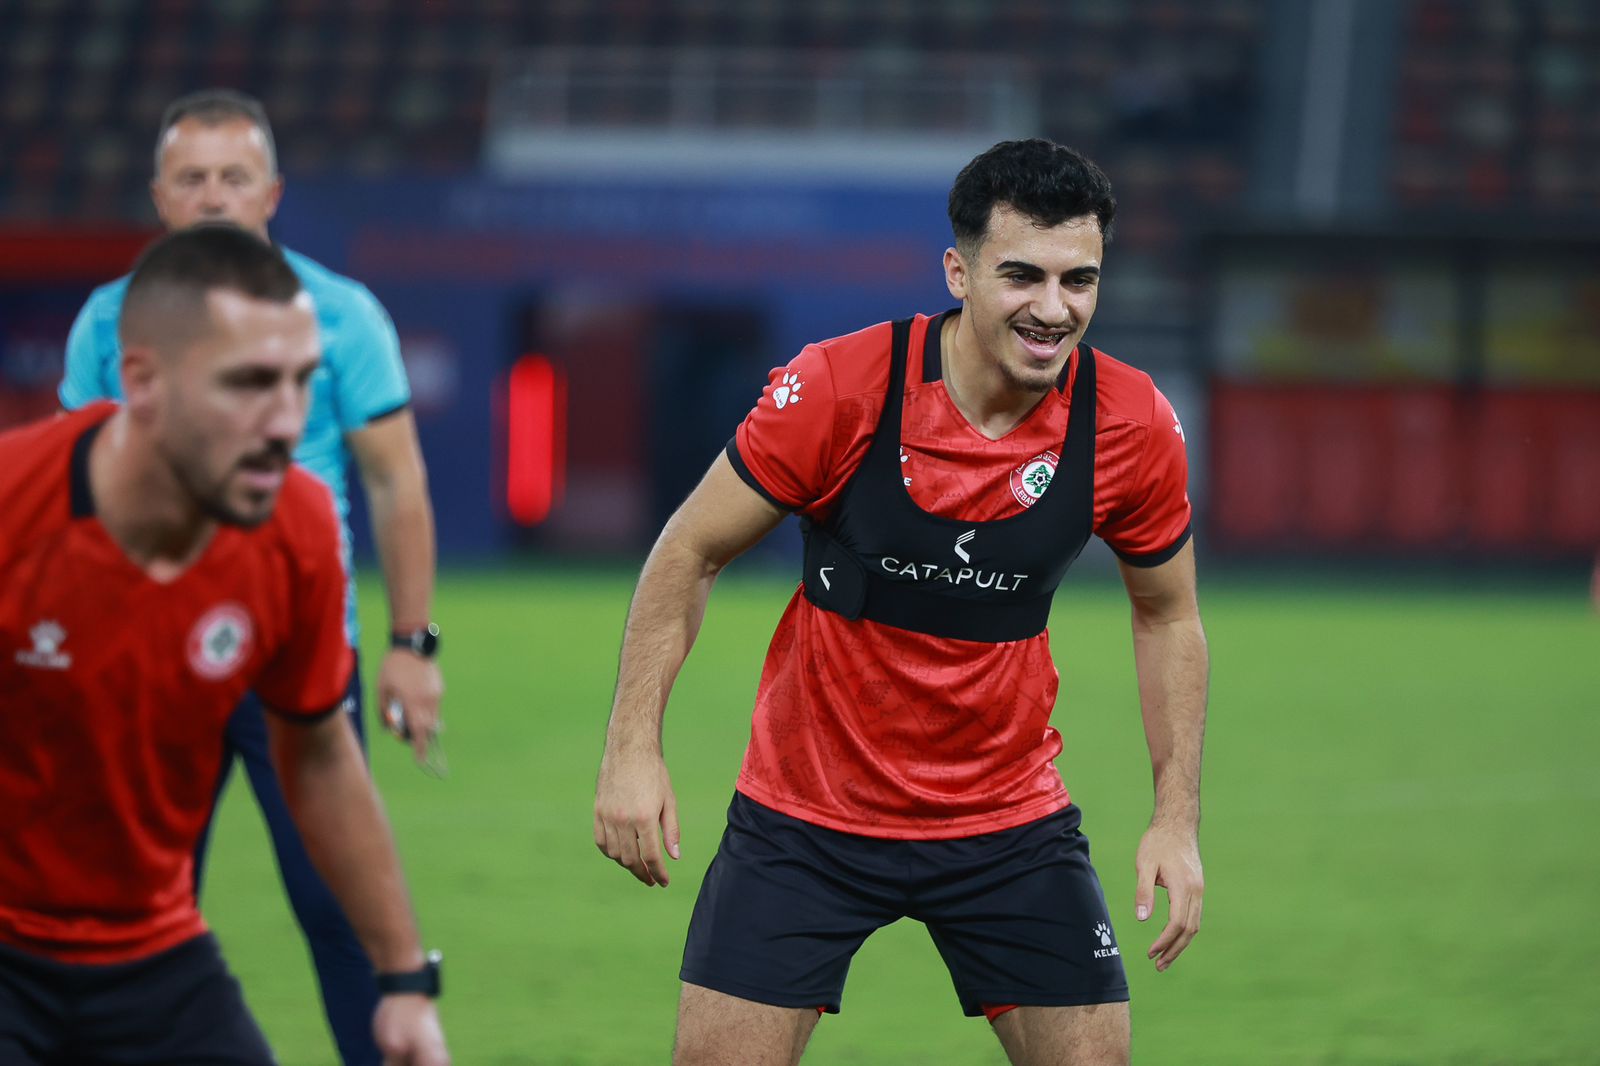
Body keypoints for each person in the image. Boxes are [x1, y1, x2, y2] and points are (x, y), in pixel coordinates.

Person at [595, 138, 1209, 1066]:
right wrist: (631, 750)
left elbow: (1169, 615)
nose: (1054, 309)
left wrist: (1175, 819)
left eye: (1078, 280)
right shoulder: (842, 389)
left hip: (1008, 825)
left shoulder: (1130, 422)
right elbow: (689, 550)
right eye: (1022, 276)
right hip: (806, 820)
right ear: (958, 273)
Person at [0, 225, 448, 1065]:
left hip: (151, 956)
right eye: (248, 383)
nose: (285, 422)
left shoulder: (299, 527)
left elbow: (320, 758)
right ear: (141, 382)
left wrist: (404, 984)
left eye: (300, 382)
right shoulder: (14, 508)